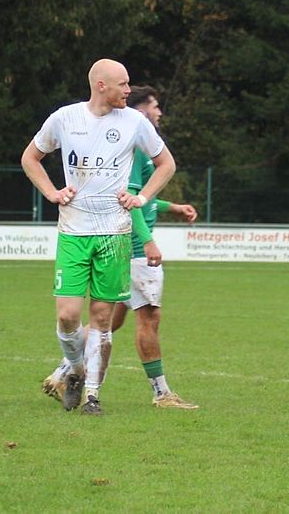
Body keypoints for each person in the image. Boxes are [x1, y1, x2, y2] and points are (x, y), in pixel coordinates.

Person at [21, 59, 175, 417]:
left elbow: (166, 163)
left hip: (114, 234)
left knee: (103, 318)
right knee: (68, 316)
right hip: (74, 231)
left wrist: (142, 198)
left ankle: (92, 396)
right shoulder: (65, 118)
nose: (128, 90)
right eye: (123, 84)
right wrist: (51, 192)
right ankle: (74, 368)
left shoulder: (135, 123)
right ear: (101, 86)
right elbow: (31, 158)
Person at [41, 86, 199, 409]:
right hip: (129, 247)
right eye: (153, 107)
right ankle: (161, 393)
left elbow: (142, 197)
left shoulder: (134, 136)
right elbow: (133, 200)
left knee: (110, 319)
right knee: (147, 317)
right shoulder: (135, 141)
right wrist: (148, 240)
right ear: (140, 111)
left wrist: (172, 207)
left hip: (119, 240)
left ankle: (63, 374)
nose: (158, 113)